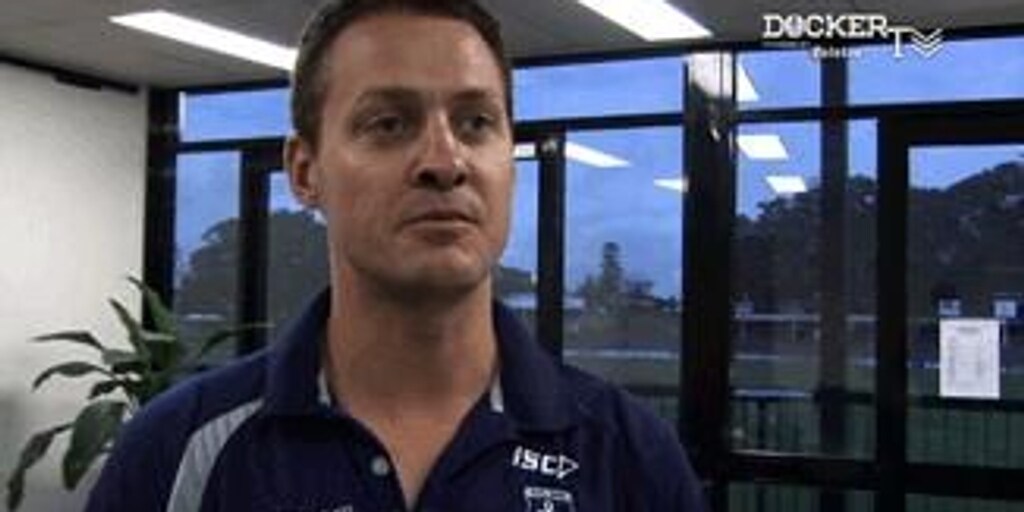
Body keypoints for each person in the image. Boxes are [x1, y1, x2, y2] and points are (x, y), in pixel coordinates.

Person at [86, 0, 707, 510]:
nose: (445, 162)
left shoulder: (630, 457)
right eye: (388, 123)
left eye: (476, 123)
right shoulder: (177, 452)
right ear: (304, 171)